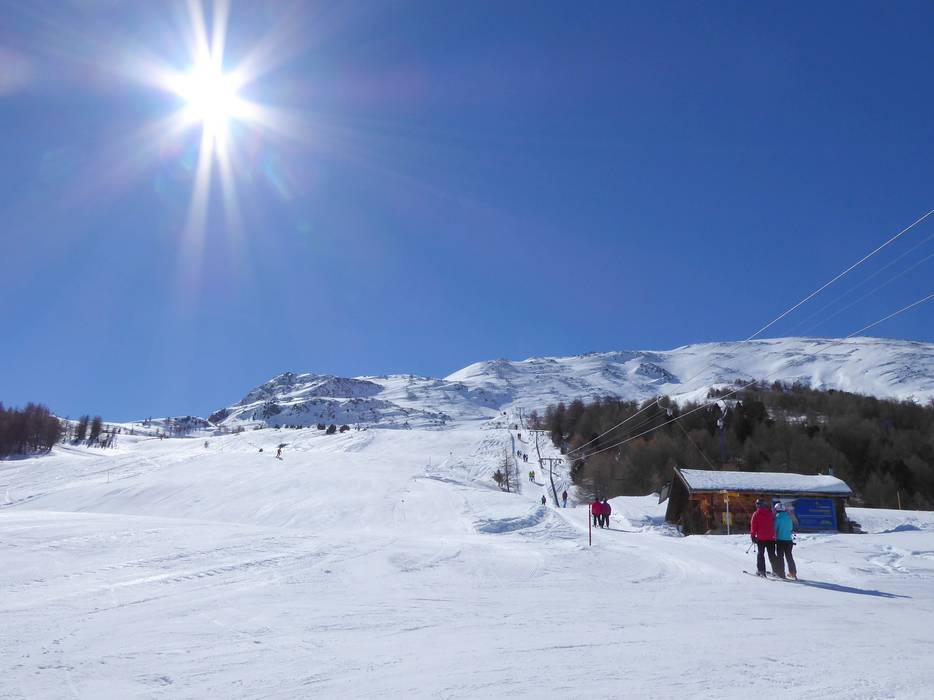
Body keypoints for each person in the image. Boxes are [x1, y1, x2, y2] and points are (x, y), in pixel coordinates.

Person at [750, 498, 779, 577]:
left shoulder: (756, 514)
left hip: (761, 538)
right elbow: (774, 523)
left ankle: (761, 571)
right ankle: (776, 571)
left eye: (757, 504)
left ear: (758, 505)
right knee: (772, 554)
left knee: (760, 554)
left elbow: (753, 526)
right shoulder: (770, 513)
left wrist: (753, 536)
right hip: (771, 538)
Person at [773, 501, 797, 580]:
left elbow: (775, 529)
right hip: (789, 540)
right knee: (789, 556)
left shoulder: (777, 517)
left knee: (780, 557)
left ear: (777, 510)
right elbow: (791, 528)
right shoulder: (788, 517)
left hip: (780, 540)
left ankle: (781, 574)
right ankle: (793, 573)